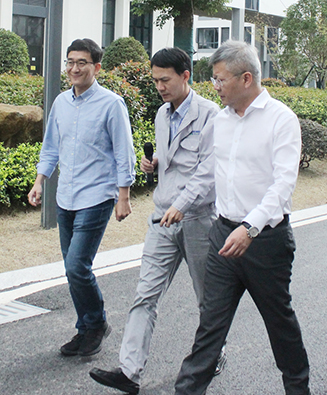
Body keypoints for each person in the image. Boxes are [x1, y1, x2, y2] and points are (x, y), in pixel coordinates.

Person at [174, 41, 310, 395]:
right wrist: (182, 203)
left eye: (220, 79)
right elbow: (209, 171)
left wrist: (251, 227)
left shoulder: (281, 119)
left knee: (279, 322)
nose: (215, 87)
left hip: (265, 241)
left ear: (246, 78)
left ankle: (298, 387)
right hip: (223, 235)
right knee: (210, 325)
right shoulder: (220, 120)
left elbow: (283, 183)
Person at [90, 48, 221, 394]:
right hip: (163, 217)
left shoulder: (211, 115)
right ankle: (129, 371)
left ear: (185, 76)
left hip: (198, 219)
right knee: (145, 294)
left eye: (165, 80)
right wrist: (156, 162)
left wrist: (182, 203)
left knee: (207, 298)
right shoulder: (162, 114)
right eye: (155, 81)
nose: (160, 87)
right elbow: (175, 159)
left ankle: (214, 353)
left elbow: (208, 172)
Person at [27, 38, 135, 358]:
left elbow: (124, 151)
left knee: (77, 266)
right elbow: (51, 146)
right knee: (71, 268)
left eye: (82, 63)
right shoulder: (61, 103)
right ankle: (85, 328)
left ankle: (96, 323)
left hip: (97, 195)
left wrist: (124, 195)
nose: (74, 68)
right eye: (70, 62)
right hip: (66, 196)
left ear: (96, 67)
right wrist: (39, 181)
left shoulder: (111, 104)